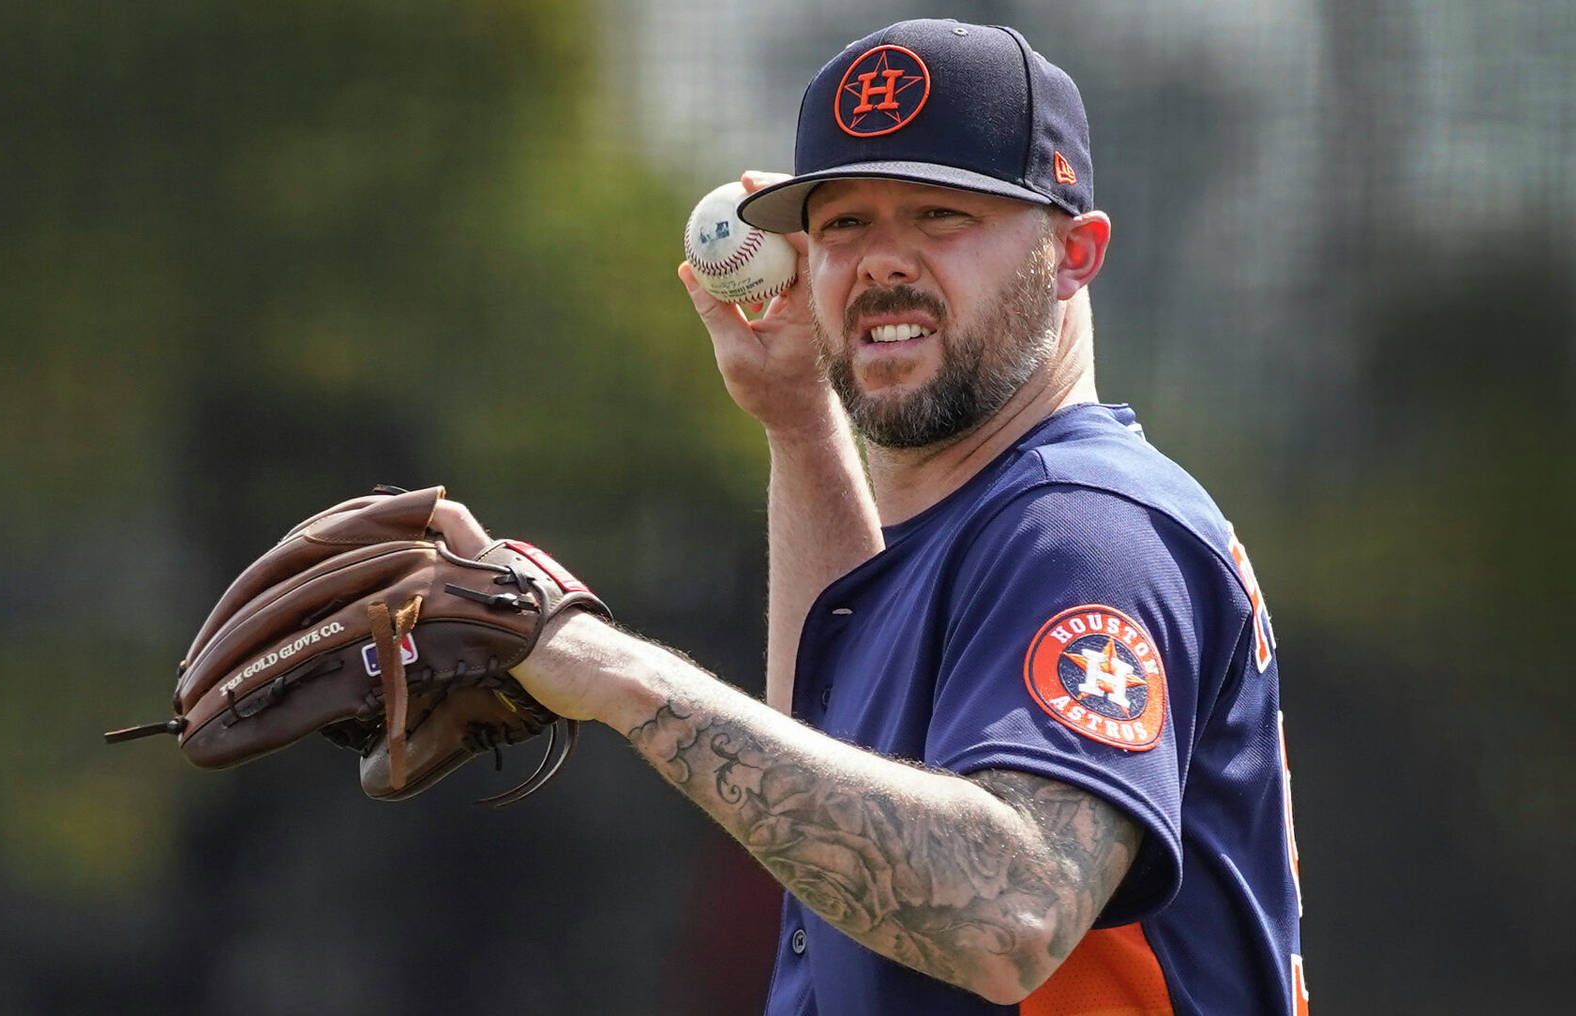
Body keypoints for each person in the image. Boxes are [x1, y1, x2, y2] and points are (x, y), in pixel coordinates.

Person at [436, 18, 1305, 1014]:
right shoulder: (968, 526)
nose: (883, 262)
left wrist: (615, 672)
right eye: (844, 223)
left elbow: (1009, 914)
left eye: (939, 215)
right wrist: (799, 419)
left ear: (1075, 253)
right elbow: (831, 822)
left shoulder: (1088, 529)